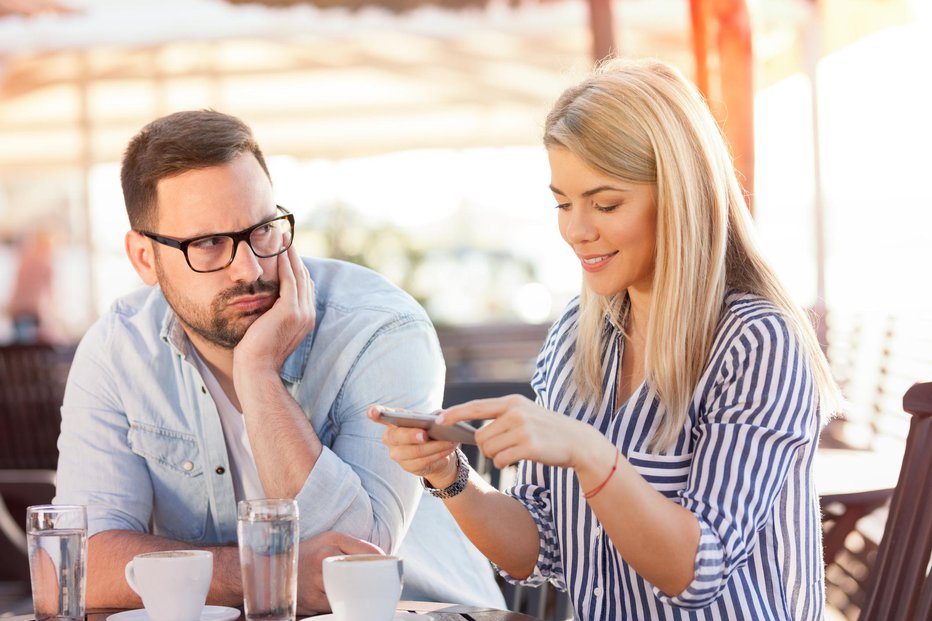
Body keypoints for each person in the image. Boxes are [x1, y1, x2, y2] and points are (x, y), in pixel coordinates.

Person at [372, 58, 841, 620]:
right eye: (563, 203)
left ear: (678, 197)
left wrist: (590, 453)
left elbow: (696, 571)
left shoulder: (757, 344)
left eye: (606, 203)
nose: (576, 229)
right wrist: (448, 474)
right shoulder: (577, 335)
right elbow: (537, 549)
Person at [53, 110, 504, 613]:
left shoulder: (380, 328)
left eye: (263, 229)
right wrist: (261, 574)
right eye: (207, 243)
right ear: (143, 258)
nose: (249, 268)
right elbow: (75, 568)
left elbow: (355, 563)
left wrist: (258, 376)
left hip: (425, 612)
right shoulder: (120, 350)